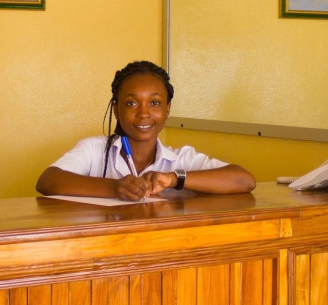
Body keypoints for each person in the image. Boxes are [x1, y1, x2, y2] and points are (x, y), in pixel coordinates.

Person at [36, 61, 256, 201]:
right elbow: (48, 181)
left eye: (154, 103)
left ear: (167, 110)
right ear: (116, 110)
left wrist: (174, 179)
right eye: (131, 103)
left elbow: (244, 180)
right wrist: (114, 188)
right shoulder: (94, 149)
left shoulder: (179, 159)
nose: (143, 113)